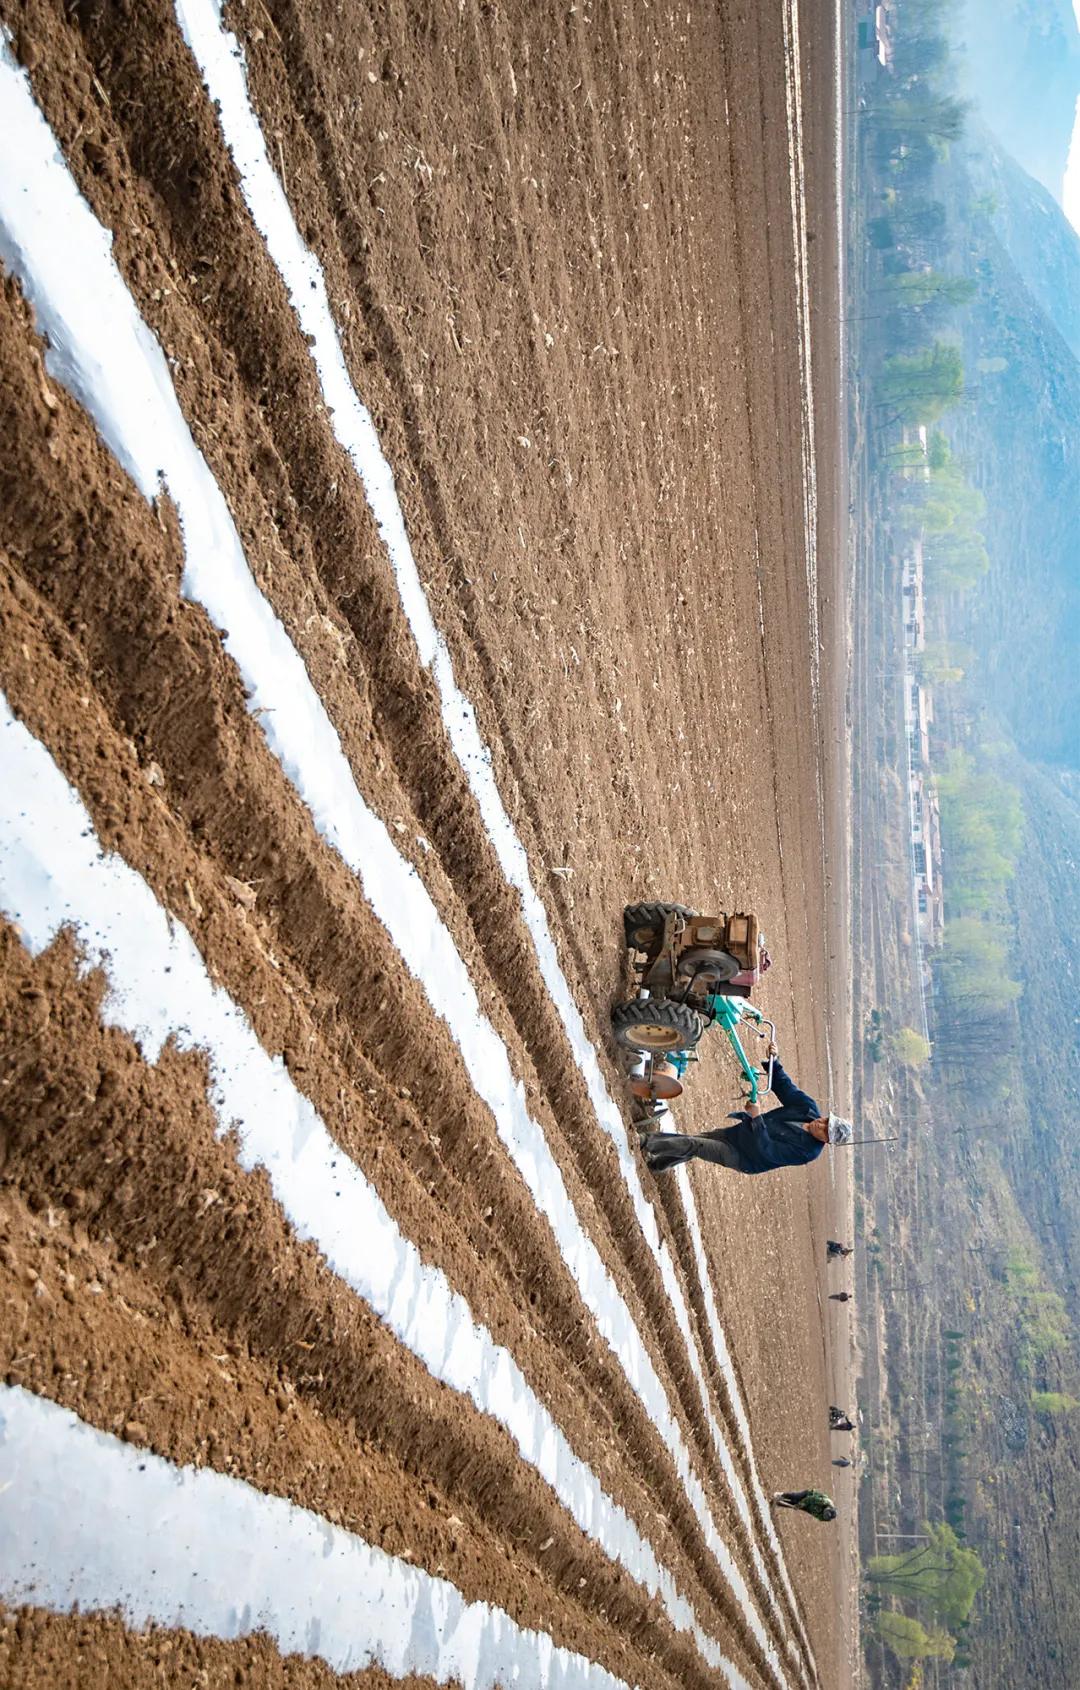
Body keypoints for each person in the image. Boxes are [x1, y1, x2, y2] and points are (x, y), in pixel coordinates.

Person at [640, 1045, 853, 1174]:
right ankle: (658, 1165)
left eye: (825, 1130)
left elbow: (768, 1151)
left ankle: (644, 1142)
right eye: (826, 1120)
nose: (821, 1124)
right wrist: (774, 1063)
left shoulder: (807, 1152)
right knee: (697, 1142)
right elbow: (785, 1087)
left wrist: (757, 1118)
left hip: (744, 1157)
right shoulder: (808, 1108)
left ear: (827, 1141)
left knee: (696, 1145)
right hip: (740, 1133)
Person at [772, 1489, 836, 1521]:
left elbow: (814, 1513)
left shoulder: (825, 1518)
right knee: (795, 1497)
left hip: (810, 1508)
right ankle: (781, 1495)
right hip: (808, 1495)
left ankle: (777, 1503)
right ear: (829, 1508)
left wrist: (800, 1507)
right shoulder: (824, 1501)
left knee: (793, 1505)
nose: (824, 1513)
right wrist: (800, 1504)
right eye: (826, 1512)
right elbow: (810, 1499)